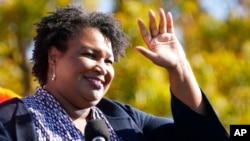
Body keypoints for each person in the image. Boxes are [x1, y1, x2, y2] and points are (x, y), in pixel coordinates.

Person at [0, 5, 229, 141]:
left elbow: (205, 138)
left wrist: (179, 68)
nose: (102, 67)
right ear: (53, 57)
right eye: (90, 55)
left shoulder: (124, 119)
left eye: (109, 60)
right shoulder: (9, 121)